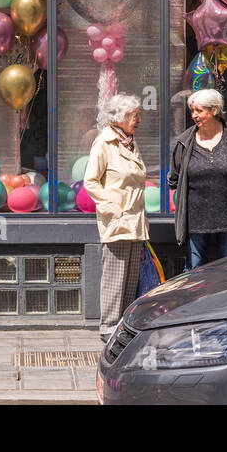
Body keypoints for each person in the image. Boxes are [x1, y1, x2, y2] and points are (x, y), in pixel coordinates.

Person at [82, 93, 149, 342]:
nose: (138, 120)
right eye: (135, 115)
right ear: (120, 117)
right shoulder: (105, 142)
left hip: (135, 221)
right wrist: (113, 208)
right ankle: (108, 327)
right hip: (119, 220)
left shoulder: (129, 142)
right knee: (114, 277)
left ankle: (123, 326)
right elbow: (91, 181)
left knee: (130, 278)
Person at [168, 88, 227, 272]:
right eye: (192, 111)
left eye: (199, 111)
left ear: (214, 110)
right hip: (195, 222)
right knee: (193, 273)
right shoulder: (185, 141)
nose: (194, 115)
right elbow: (174, 178)